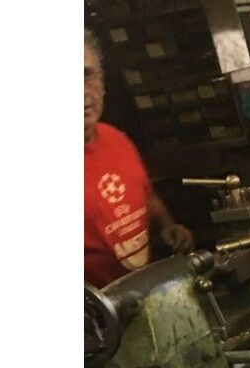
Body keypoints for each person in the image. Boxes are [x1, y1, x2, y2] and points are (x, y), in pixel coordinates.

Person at [85, 28, 194, 288]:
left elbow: (147, 197)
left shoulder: (117, 140)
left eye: (87, 75)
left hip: (145, 296)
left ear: (102, 81)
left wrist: (166, 226)